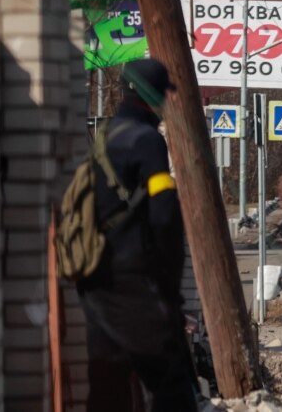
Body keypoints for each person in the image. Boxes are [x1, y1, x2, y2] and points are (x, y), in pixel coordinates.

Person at [77, 58, 197, 410]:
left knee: (108, 382)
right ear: (152, 95)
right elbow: (163, 218)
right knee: (170, 384)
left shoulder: (103, 139)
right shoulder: (146, 142)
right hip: (133, 280)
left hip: (95, 278)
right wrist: (170, 289)